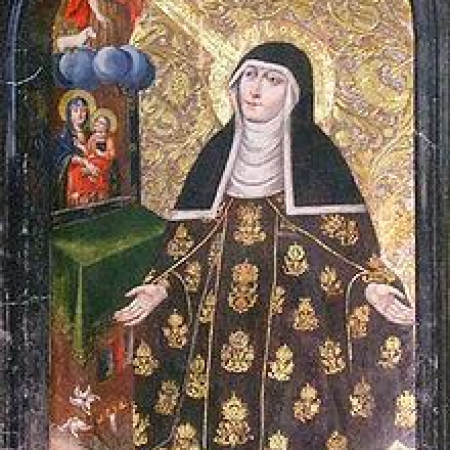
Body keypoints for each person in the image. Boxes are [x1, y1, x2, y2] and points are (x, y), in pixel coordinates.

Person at [115, 42, 415, 450]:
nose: (255, 90)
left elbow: (348, 253)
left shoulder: (319, 159)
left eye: (273, 80)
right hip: (217, 328)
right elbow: (187, 248)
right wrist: (161, 286)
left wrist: (371, 287)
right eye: (249, 77)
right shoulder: (215, 157)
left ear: (294, 94)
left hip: (297, 332)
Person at [53, 94, 100, 208]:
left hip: (92, 174)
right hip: (73, 178)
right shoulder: (64, 135)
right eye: (75, 111)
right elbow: (62, 157)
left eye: (83, 111)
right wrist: (84, 162)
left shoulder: (91, 134)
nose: (80, 114)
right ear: (69, 114)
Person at [85, 110, 118, 202]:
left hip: (105, 162)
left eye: (103, 124)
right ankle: (91, 193)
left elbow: (112, 154)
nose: (100, 126)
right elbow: (88, 150)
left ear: (107, 127)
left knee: (99, 170)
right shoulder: (93, 138)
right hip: (93, 160)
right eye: (99, 123)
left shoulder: (108, 139)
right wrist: (90, 155)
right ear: (95, 126)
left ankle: (101, 193)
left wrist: (102, 154)